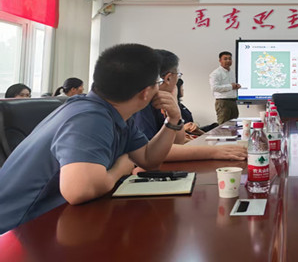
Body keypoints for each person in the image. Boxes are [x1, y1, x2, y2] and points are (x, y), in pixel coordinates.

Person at [0, 43, 179, 234]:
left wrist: (173, 120)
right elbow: (80, 190)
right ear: (145, 93)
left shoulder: (117, 115)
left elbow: (149, 159)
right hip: (14, 232)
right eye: (157, 83)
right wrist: (120, 168)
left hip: (52, 224)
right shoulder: (90, 118)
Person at [133, 49, 246, 161]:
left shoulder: (161, 101)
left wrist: (175, 114)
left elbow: (178, 141)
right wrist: (214, 151)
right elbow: (149, 153)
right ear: (168, 78)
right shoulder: (143, 105)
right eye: (178, 75)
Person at [209, 51, 241, 124]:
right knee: (223, 125)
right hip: (223, 102)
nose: (228, 61)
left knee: (234, 124)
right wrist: (231, 86)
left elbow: (231, 86)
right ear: (220, 60)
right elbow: (214, 88)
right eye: (225, 59)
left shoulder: (232, 72)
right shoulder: (216, 73)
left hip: (233, 101)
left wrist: (236, 86)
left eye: (230, 59)